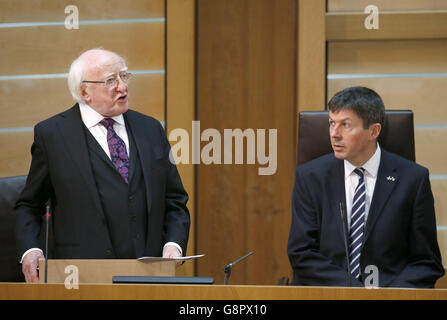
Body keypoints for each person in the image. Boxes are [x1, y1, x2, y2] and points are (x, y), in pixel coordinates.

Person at [15, 48, 190, 282]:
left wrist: (173, 244)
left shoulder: (150, 129)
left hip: (149, 277)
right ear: (84, 91)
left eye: (124, 76)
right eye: (110, 80)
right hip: (81, 278)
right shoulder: (52, 135)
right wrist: (31, 250)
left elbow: (175, 200)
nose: (122, 87)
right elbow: (29, 204)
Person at [287, 86, 444, 288]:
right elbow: (301, 253)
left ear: (373, 131)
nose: (334, 134)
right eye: (331, 123)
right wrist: (356, 291)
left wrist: (387, 297)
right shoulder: (310, 177)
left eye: (345, 125)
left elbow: (426, 262)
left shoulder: (413, 179)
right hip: (327, 293)